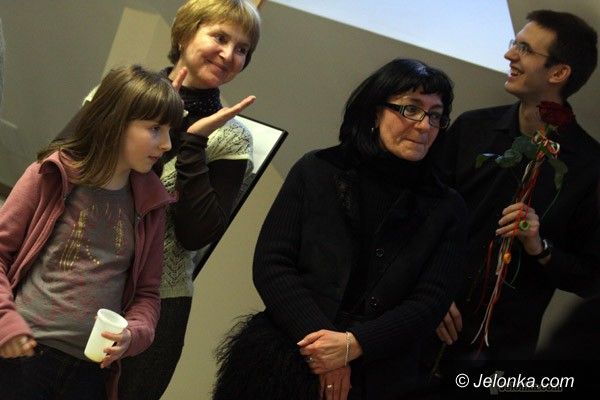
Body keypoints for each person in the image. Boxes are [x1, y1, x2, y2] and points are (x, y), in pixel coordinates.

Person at [213, 58, 468, 400]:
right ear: (375, 112)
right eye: (411, 109)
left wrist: (354, 345)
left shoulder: (448, 206)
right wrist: (327, 351)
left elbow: (431, 301)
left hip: (380, 374)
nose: (424, 126)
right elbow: (272, 264)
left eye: (435, 115)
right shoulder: (316, 170)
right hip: (285, 355)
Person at [56, 1, 261, 398]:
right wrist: (154, 123)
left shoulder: (232, 138)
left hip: (156, 304)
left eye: (242, 49)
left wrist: (193, 144)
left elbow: (195, 235)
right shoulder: (119, 95)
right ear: (184, 34)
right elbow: (57, 171)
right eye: (220, 37)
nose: (229, 54)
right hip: (73, 277)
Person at [0, 65, 182, 400]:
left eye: (170, 131)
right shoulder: (51, 173)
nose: (167, 144)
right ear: (116, 121)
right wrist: (6, 322)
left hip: (88, 373)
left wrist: (132, 336)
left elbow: (147, 295)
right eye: (155, 129)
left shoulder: (152, 204)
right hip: (23, 355)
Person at [433, 9, 600, 368]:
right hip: (425, 320)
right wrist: (427, 294)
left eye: (524, 49)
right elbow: (420, 214)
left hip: (502, 353)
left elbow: (591, 278)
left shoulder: (589, 166)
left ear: (558, 73)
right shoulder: (472, 128)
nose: (509, 55)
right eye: (514, 44)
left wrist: (540, 247)